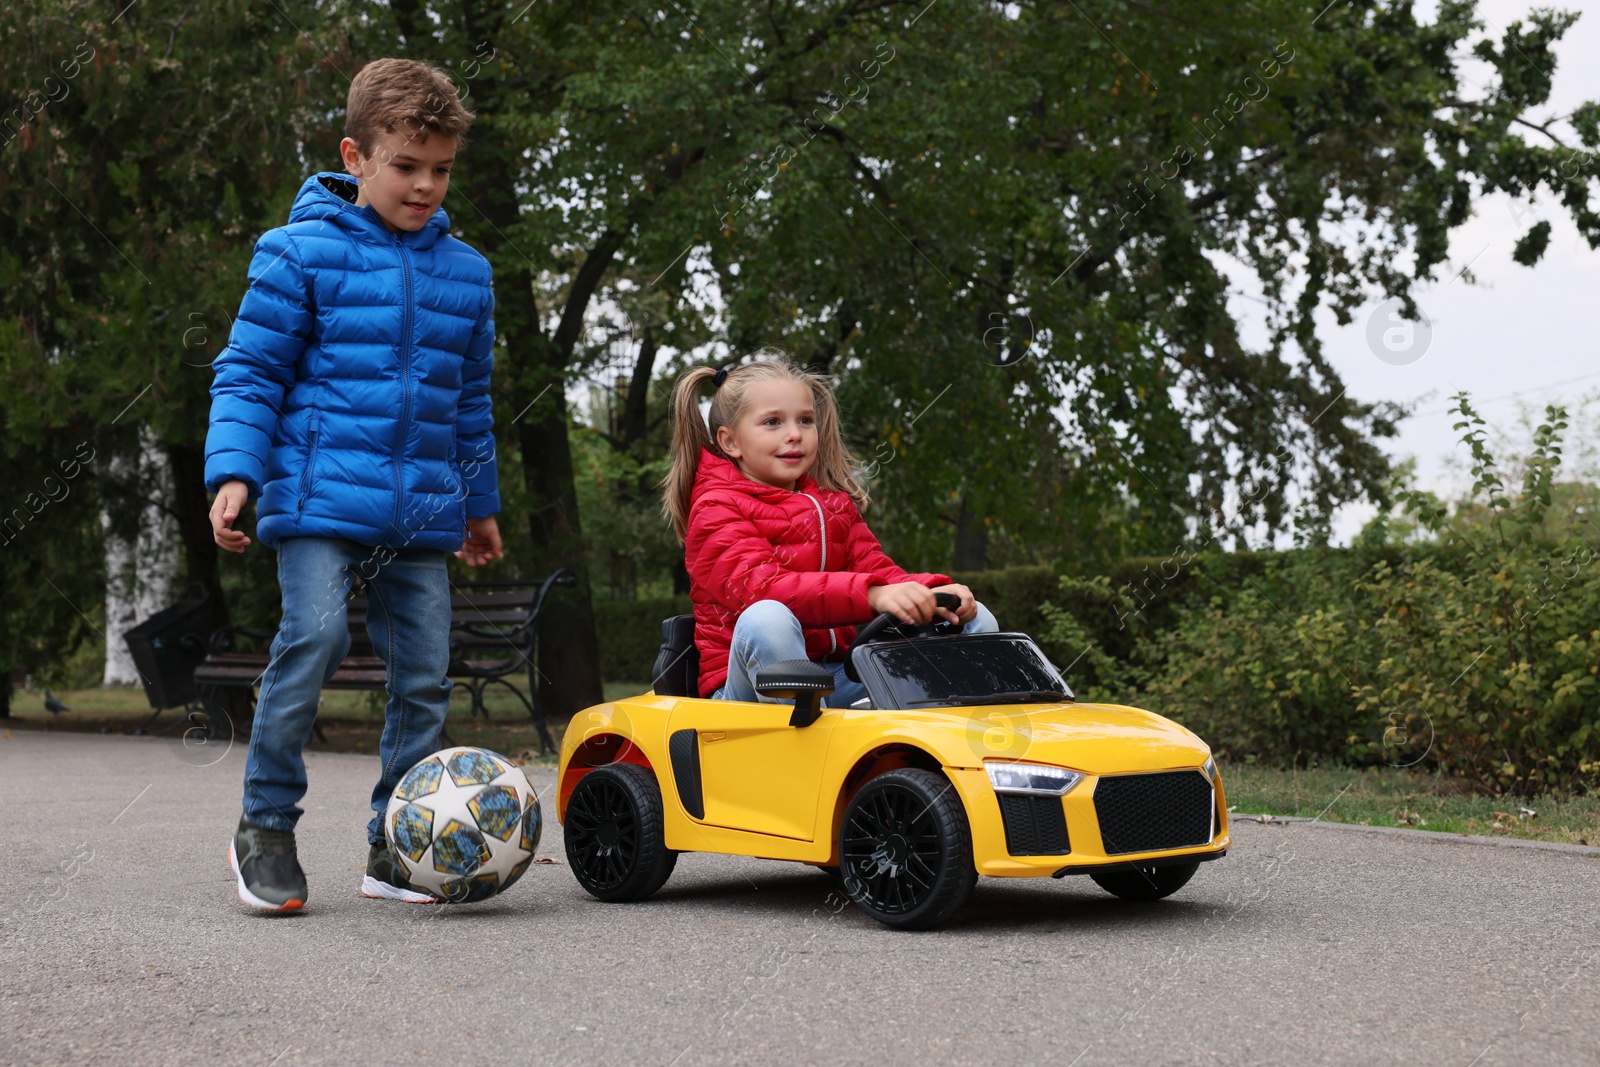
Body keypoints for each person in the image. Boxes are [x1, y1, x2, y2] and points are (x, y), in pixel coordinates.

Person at [204, 58, 503, 912]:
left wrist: (479, 507)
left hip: (421, 510)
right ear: (356, 155)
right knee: (319, 638)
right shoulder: (298, 254)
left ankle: (396, 843)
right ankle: (263, 826)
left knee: (423, 675)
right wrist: (234, 472)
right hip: (318, 497)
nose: (425, 185)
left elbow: (469, 402)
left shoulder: (468, 274)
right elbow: (250, 372)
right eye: (406, 166)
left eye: (441, 169)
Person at [662, 358, 998, 707]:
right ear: (730, 442)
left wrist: (930, 591)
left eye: (805, 420)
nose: (795, 433)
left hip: (840, 676)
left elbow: (880, 573)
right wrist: (873, 595)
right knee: (766, 616)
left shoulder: (834, 506)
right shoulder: (715, 509)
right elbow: (765, 589)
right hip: (747, 693)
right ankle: (807, 747)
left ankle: (959, 729)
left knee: (972, 616)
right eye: (773, 422)